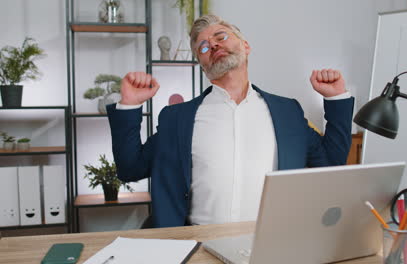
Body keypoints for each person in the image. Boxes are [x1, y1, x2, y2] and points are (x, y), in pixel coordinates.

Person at [107, 15, 354, 228]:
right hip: (196, 243)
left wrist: (336, 99)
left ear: (245, 46)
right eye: (203, 47)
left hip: (270, 242)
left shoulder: (288, 111)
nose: (212, 45)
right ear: (203, 66)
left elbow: (331, 162)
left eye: (220, 37)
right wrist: (129, 104)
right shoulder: (176, 119)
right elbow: (130, 169)